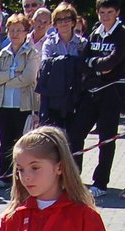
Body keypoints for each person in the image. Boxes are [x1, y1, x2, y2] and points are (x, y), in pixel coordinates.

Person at [69, 0, 125, 195]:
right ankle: (74, 178)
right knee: (75, 133)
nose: (105, 16)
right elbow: (84, 60)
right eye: (102, 12)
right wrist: (97, 66)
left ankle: (100, 183)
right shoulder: (96, 31)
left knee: (106, 138)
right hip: (91, 91)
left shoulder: (122, 34)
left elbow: (111, 63)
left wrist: (95, 65)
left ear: (117, 12)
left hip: (111, 92)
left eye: (109, 12)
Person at [0, 14, 41, 183]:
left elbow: (28, 78)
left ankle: (21, 178)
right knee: (5, 142)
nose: (15, 34)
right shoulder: (3, 53)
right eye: (12, 30)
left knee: (22, 143)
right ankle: (4, 176)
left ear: (26, 32)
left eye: (19, 30)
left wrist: (6, 79)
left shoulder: (32, 53)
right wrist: (12, 73)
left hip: (23, 105)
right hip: (3, 104)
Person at [36, 4, 87, 138]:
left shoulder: (82, 43)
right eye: (59, 20)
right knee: (53, 139)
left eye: (67, 19)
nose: (63, 23)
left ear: (73, 22)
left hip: (75, 98)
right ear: (55, 24)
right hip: (53, 98)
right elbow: (45, 65)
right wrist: (71, 63)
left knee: (75, 140)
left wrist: (60, 63)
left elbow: (85, 70)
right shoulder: (50, 43)